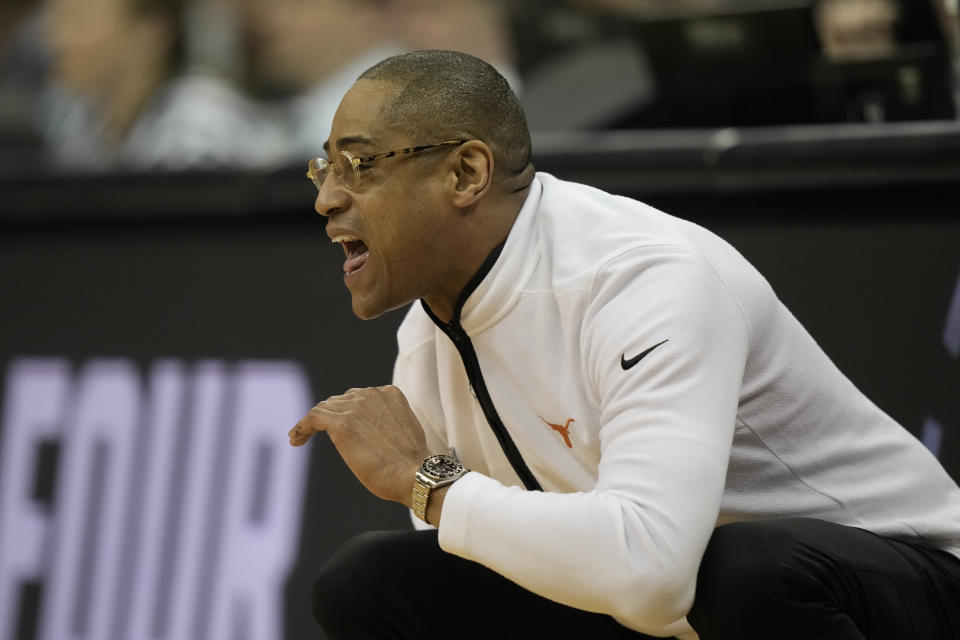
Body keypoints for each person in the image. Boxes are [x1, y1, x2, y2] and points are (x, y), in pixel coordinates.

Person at [287, 49, 960, 639]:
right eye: (326, 168)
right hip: (683, 614)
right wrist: (444, 500)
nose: (327, 199)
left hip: (904, 584)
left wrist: (426, 484)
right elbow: (499, 554)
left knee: (744, 570)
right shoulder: (427, 335)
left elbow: (650, 573)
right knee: (372, 583)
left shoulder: (642, 278)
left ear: (466, 174)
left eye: (360, 164)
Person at [40, 0, 286, 171]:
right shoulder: (82, 122)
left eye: (77, 18)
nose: (55, 38)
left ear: (150, 31)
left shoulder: (199, 127)